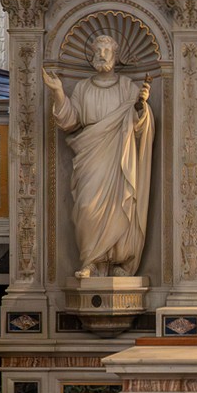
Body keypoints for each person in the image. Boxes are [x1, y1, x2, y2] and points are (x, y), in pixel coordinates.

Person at [43, 34, 154, 278]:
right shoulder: (83, 87)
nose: (102, 54)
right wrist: (59, 92)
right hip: (90, 154)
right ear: (92, 54)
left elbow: (139, 125)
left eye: (107, 50)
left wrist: (140, 106)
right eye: (99, 50)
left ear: (115, 55)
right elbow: (70, 122)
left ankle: (117, 263)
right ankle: (91, 262)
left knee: (121, 205)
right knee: (86, 206)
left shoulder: (127, 87)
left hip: (119, 155)